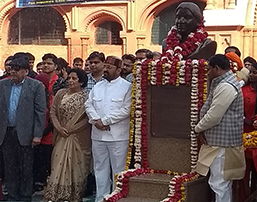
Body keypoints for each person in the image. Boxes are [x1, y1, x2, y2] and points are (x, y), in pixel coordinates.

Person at [195, 54, 246, 202]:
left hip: (222, 146)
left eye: (209, 69)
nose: (208, 73)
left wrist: (198, 128)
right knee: (221, 183)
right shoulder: (226, 82)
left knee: (219, 184)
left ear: (217, 68)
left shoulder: (226, 86)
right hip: (221, 144)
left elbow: (214, 115)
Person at [85, 56, 131, 202]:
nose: (105, 70)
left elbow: (126, 110)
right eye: (105, 66)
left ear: (118, 70)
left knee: (118, 171)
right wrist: (96, 120)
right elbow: (88, 104)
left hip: (117, 136)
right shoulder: (98, 86)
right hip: (98, 135)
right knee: (100, 170)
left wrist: (105, 121)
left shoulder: (127, 86)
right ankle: (101, 198)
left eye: (109, 67)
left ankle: (116, 198)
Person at [0, 56, 46, 201]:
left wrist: (37, 135)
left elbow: (40, 112)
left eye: (16, 70)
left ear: (26, 71)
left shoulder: (36, 86)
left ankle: (25, 197)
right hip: (6, 132)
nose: (12, 72)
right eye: (11, 69)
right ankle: (12, 196)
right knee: (10, 167)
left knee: (26, 167)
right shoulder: (2, 85)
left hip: (27, 134)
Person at [44, 68, 91, 201]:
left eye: (74, 79)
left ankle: (72, 195)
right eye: (69, 78)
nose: (70, 81)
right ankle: (55, 194)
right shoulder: (60, 93)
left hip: (78, 137)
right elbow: (53, 112)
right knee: (57, 163)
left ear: (81, 82)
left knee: (77, 166)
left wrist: (72, 129)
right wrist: (59, 128)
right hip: (61, 136)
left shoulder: (87, 96)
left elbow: (88, 118)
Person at [234, 62, 257, 201]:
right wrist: (245, 120)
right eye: (252, 72)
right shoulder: (244, 90)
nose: (253, 75)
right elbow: (236, 109)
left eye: (256, 72)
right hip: (243, 134)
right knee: (243, 171)